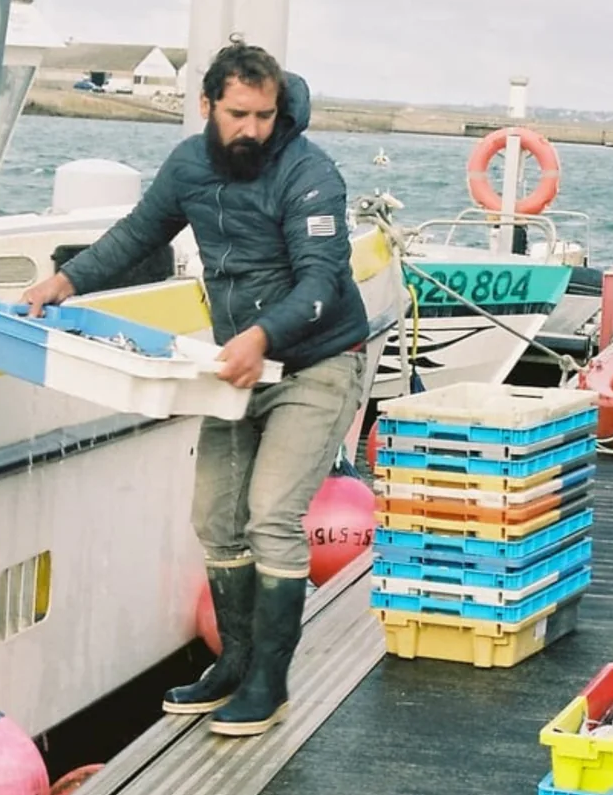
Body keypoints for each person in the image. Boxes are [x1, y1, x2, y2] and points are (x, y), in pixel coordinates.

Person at [22, 40, 369, 737]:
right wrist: (66, 281)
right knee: (216, 516)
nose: (253, 129)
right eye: (239, 114)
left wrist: (262, 336)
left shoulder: (310, 174)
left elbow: (321, 282)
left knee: (271, 513)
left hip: (315, 362)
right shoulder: (187, 164)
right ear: (209, 105)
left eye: (265, 115)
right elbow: (136, 233)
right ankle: (233, 665)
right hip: (234, 366)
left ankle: (269, 682)